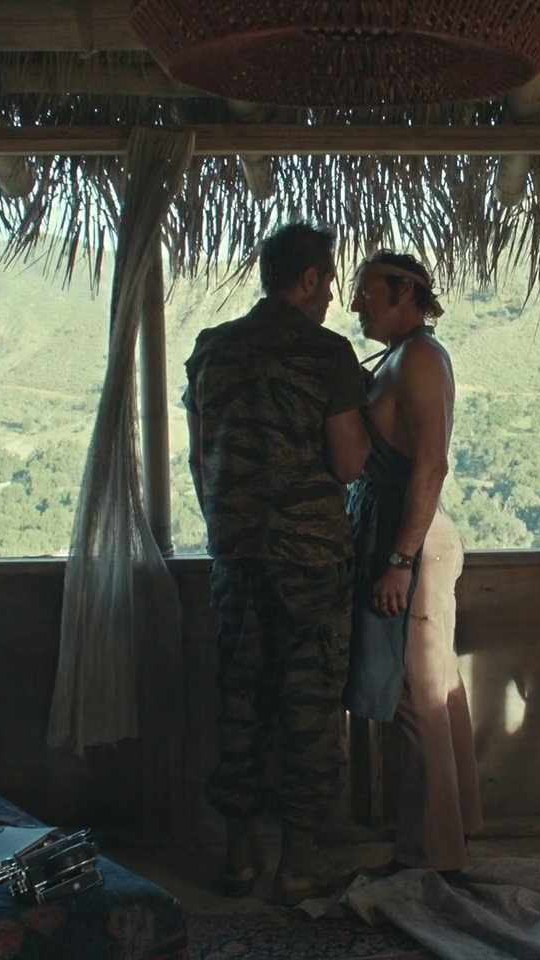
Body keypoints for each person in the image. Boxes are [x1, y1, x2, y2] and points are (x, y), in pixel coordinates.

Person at [184, 223, 370, 904]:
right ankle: (299, 859)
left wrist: (232, 527)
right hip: (311, 564)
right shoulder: (328, 354)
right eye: (329, 282)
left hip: (236, 559)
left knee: (241, 701)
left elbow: (199, 458)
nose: (332, 298)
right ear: (310, 279)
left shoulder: (211, 349)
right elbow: (348, 463)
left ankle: (238, 855)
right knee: (309, 707)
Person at [345, 250, 481, 878]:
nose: (356, 304)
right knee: (432, 689)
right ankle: (449, 833)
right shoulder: (400, 357)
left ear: (406, 294)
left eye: (367, 292)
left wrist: (401, 559)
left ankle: (432, 857)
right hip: (404, 535)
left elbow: (431, 463)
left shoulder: (420, 358)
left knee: (416, 696)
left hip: (414, 541)